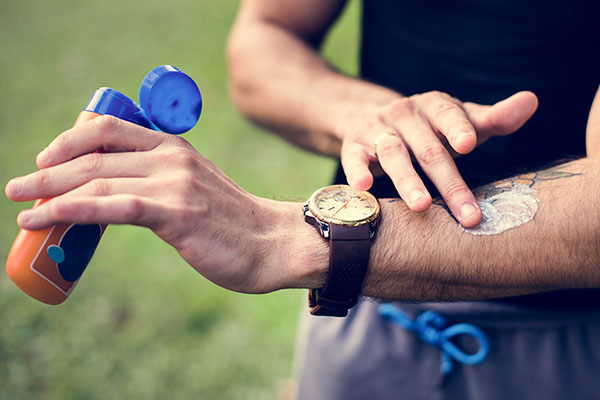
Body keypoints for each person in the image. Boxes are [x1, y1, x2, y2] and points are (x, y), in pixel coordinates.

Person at [4, 0, 599, 398]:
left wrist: (288, 238)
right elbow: (265, 34)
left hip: (575, 349)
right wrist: (352, 108)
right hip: (362, 318)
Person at [225, 0, 600, 398]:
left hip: (574, 340)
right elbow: (264, 34)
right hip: (361, 313)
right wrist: (365, 113)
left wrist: (317, 250)